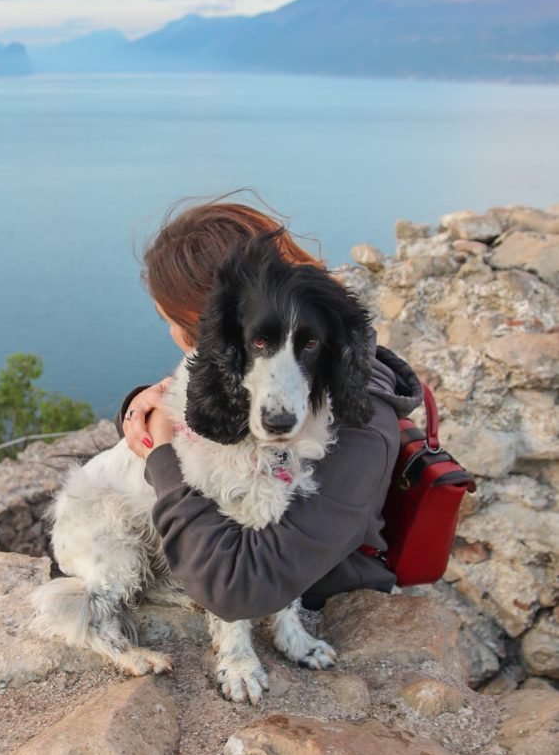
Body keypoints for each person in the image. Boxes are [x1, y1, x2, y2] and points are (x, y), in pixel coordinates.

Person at [119, 198, 423, 621]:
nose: (172, 334)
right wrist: (142, 406)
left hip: (320, 603)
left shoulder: (357, 429)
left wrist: (161, 455)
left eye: (171, 321)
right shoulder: (288, 365)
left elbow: (237, 589)